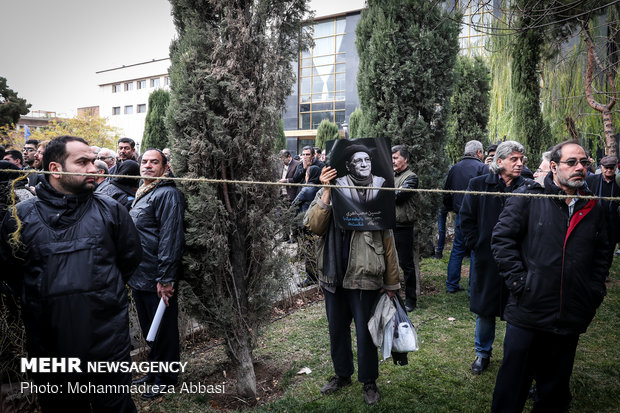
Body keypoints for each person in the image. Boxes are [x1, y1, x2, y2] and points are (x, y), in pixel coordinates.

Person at [0, 135, 142, 412]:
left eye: (93, 161)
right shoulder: (20, 218)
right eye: (83, 162)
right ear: (55, 169)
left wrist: (99, 291)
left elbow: (130, 258)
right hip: (50, 345)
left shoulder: (111, 211)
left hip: (106, 342)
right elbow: (12, 272)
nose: (93, 168)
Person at [490, 140, 612, 412]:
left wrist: (592, 292)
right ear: (554, 167)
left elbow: (603, 253)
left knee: (553, 392)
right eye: (572, 162)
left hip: (569, 315)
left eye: (584, 163)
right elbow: (501, 239)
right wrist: (520, 282)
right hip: (528, 312)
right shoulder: (529, 197)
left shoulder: (593, 207)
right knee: (511, 389)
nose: (580, 167)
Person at [304, 166, 400, 406]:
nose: (360, 166)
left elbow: (388, 241)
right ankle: (342, 374)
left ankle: (369, 381)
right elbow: (314, 226)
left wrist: (391, 282)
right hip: (333, 276)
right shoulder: (327, 191)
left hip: (364, 277)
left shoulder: (376, 195)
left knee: (366, 333)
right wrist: (326, 191)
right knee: (337, 331)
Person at [460, 141, 529, 375]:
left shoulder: (528, 187)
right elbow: (466, 218)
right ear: (500, 162)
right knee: (485, 309)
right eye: (514, 159)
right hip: (486, 258)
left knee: (517, 310)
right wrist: (476, 245)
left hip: (519, 260)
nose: (520, 163)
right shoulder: (478, 184)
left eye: (522, 159)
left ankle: (514, 357)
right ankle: (482, 354)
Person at [129, 149, 185, 400]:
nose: (148, 166)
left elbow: (170, 239)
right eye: (144, 161)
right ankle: (154, 373)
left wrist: (166, 278)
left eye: (154, 162)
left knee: (163, 330)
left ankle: (166, 378)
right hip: (141, 275)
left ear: (165, 167)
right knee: (149, 328)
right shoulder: (144, 192)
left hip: (158, 277)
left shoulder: (168, 194)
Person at [443, 140, 488, 293]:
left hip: (460, 214)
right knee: (475, 249)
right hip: (476, 215)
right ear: (479, 153)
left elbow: (447, 191)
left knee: (457, 248)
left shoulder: (455, 168)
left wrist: (450, 207)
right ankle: (472, 288)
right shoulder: (483, 168)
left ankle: (451, 284)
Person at [391, 145, 419, 312]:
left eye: (396, 158)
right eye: (392, 158)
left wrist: (389, 192)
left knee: (406, 264)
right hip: (388, 224)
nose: (393, 161)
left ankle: (411, 299)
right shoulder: (390, 176)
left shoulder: (412, 177)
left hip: (403, 226)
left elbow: (399, 197)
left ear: (405, 159)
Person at [586, 155, 620, 264]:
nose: (609, 170)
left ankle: (605, 271)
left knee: (610, 247)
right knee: (593, 245)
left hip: (613, 221)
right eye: (606, 168)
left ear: (615, 168)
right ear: (601, 168)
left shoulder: (618, 182)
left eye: (611, 168)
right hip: (595, 220)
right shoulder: (591, 180)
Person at [293, 165, 322, 287]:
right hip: (319, 224)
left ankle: (311, 277)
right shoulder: (322, 189)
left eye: (306, 174)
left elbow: (294, 205)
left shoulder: (306, 189)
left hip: (307, 225)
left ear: (309, 175)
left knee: (308, 252)